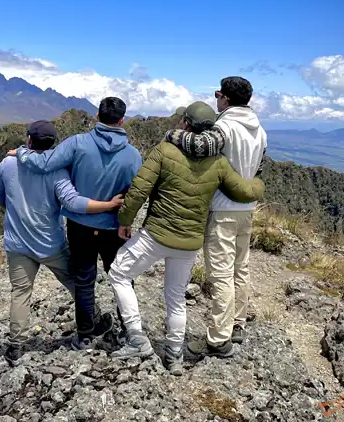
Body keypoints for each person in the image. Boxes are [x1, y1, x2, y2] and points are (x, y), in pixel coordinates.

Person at [108, 101, 265, 376]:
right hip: (190, 242)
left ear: (185, 123)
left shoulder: (165, 150)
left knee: (119, 273)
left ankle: (136, 338)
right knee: (176, 297)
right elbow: (241, 191)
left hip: (157, 235)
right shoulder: (218, 162)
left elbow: (138, 190)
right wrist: (259, 184)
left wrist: (124, 221)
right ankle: (175, 357)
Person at [11, 97, 142, 350]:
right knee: (122, 277)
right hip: (113, 226)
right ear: (122, 120)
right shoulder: (133, 156)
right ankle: (128, 331)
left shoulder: (77, 143)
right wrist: (127, 220)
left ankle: (84, 336)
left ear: (97, 115)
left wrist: (23, 152)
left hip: (80, 225)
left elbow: (45, 163)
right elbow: (136, 193)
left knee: (84, 278)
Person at [0, 120, 125, 361]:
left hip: (18, 244)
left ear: (29, 140)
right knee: (75, 281)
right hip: (50, 243)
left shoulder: (8, 163)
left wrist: (13, 212)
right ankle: (92, 320)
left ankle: (17, 345)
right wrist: (109, 205)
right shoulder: (58, 170)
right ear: (53, 145)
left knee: (20, 292)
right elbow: (73, 202)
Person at [187, 77, 268, 359]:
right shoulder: (261, 131)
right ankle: (237, 324)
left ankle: (218, 339)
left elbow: (200, 148)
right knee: (240, 267)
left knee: (220, 273)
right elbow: (259, 168)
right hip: (246, 209)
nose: (216, 100)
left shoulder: (224, 126)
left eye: (217, 95)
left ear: (225, 98)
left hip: (222, 208)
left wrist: (175, 136)